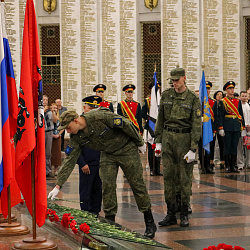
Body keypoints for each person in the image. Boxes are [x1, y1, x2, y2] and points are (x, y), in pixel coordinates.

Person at [48, 105, 157, 238]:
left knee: (137, 184)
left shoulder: (99, 116)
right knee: (107, 186)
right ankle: (110, 223)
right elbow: (69, 160)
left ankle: (149, 220)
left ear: (76, 120)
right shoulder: (76, 137)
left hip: (126, 150)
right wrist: (58, 185)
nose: (68, 131)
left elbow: (126, 124)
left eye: (68, 127)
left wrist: (139, 142)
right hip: (107, 154)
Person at [154, 67, 202, 227]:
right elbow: (160, 119)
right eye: (172, 80)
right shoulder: (166, 95)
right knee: (168, 177)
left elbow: (196, 125)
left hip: (184, 139)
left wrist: (193, 148)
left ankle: (183, 213)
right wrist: (158, 141)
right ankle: (170, 213)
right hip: (168, 138)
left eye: (177, 80)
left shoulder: (193, 98)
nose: (174, 83)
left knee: (184, 178)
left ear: (184, 78)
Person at [77, 96, 102, 214]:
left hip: (99, 163)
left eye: (95, 108)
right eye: (90, 108)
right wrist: (82, 163)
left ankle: (96, 215)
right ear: (84, 108)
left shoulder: (100, 123)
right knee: (86, 192)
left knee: (97, 191)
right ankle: (86, 215)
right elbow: (74, 148)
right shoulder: (79, 123)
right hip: (86, 164)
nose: (92, 111)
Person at [222, 81, 245, 173]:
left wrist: (242, 125)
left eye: (232, 88)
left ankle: (233, 165)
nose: (232, 90)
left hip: (236, 126)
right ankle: (227, 165)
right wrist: (221, 127)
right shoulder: (223, 102)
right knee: (227, 146)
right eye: (230, 89)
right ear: (226, 90)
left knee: (234, 146)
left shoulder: (237, 101)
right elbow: (221, 115)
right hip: (227, 126)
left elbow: (241, 114)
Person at [142, 82, 162, 176]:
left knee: (159, 148)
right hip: (150, 127)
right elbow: (143, 113)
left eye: (158, 89)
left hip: (159, 127)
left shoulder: (161, 100)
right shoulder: (147, 101)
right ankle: (151, 169)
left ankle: (157, 169)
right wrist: (149, 118)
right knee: (151, 149)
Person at [43, 95, 58, 178]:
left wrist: (52, 111)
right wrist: (43, 111)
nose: (45, 101)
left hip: (49, 132)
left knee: (48, 153)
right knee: (42, 153)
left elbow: (55, 120)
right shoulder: (39, 109)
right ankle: (42, 170)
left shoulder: (50, 110)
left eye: (46, 100)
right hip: (41, 132)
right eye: (43, 99)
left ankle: (48, 171)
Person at [237, 91, 250, 170]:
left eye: (246, 96)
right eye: (243, 96)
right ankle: (240, 164)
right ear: (240, 97)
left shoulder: (249, 106)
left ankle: (248, 163)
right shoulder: (238, 106)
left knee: (248, 147)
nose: (244, 97)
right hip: (241, 129)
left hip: (249, 129)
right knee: (240, 147)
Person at [213, 90, 225, 170]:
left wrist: (222, 127)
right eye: (218, 94)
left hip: (221, 126)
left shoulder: (223, 104)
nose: (219, 96)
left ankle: (223, 162)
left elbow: (223, 116)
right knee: (213, 145)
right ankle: (212, 161)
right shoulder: (213, 103)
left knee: (222, 145)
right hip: (214, 126)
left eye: (221, 94)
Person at [50, 103, 63, 176]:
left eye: (56, 108)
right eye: (53, 108)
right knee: (50, 153)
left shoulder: (60, 117)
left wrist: (59, 134)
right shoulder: (49, 115)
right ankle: (50, 169)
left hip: (57, 136)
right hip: (50, 136)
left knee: (57, 154)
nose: (54, 109)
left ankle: (56, 169)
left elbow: (63, 127)